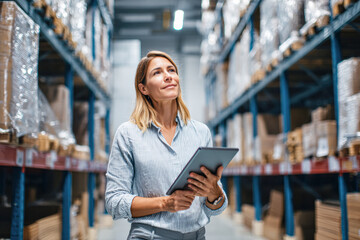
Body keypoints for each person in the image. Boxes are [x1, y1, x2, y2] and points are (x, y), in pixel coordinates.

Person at [105, 50, 228, 240]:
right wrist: (165, 203)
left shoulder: (201, 132)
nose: (168, 76)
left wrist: (214, 190)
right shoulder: (128, 134)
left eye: (171, 70)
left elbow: (214, 208)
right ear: (144, 88)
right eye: (157, 72)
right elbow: (113, 202)